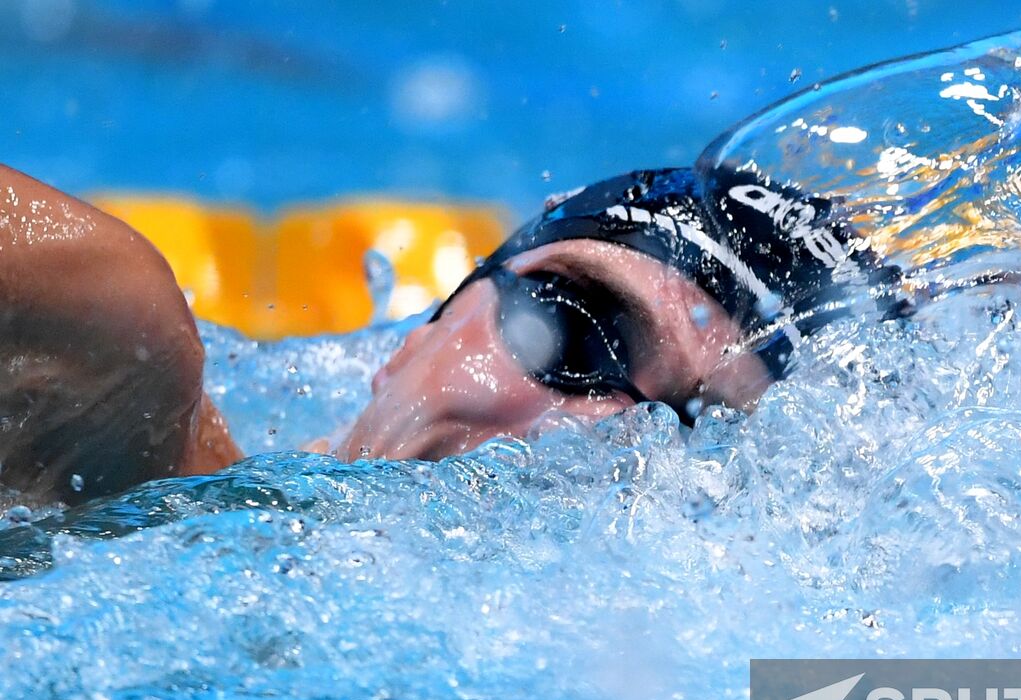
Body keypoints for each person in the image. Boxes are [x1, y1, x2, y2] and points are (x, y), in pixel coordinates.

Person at [0, 160, 902, 504]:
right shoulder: (104, 358)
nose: (602, 429)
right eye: (579, 330)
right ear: (423, 329)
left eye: (697, 431)